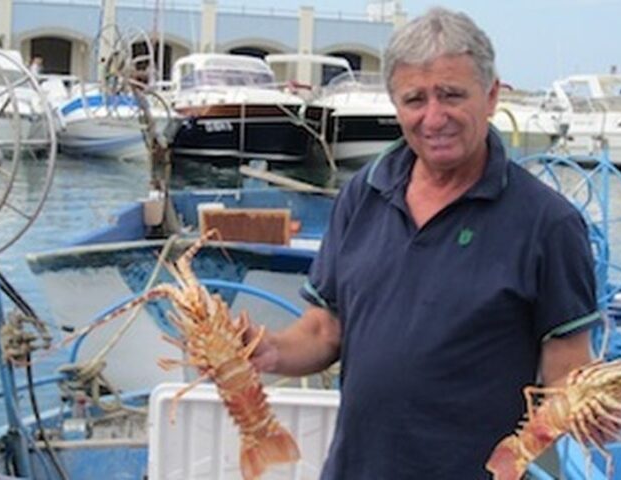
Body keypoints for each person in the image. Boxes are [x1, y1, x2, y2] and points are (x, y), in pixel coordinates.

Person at [247, 7, 601, 479]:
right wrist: (269, 351)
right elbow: (323, 330)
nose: (434, 118)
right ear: (396, 104)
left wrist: (590, 409)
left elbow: (566, 375)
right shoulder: (363, 193)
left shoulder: (549, 224)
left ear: (492, 95)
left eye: (452, 95)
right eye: (415, 99)